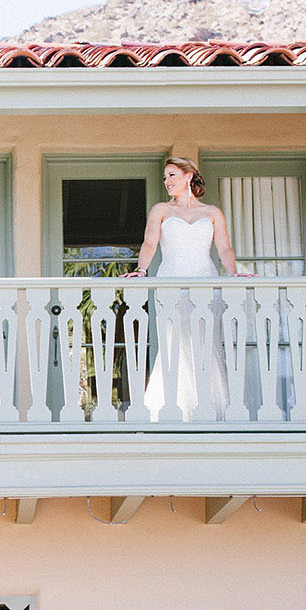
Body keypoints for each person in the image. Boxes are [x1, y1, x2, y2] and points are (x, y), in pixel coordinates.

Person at [122, 157, 246, 420]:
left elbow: (224, 248)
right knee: (172, 346)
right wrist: (142, 270)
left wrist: (234, 272)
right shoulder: (161, 210)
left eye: (172, 175)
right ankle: (168, 412)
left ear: (188, 176)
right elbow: (149, 244)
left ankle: (210, 411)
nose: (167, 182)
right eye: (165, 178)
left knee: (205, 346)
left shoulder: (212, 213)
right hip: (171, 283)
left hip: (205, 282)